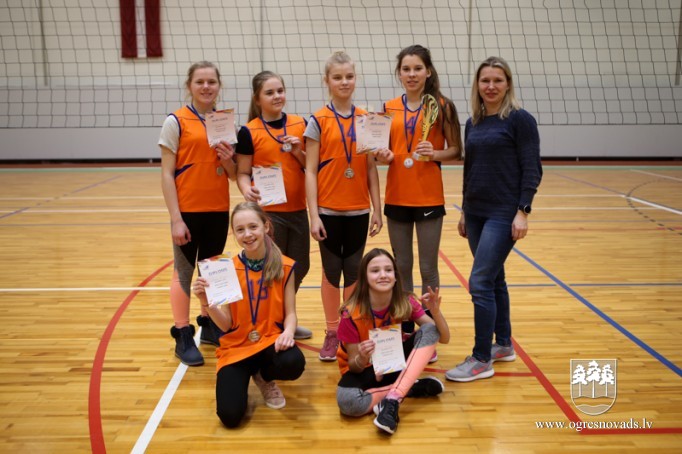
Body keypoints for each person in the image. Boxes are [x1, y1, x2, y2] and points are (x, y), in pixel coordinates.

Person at [445, 56, 542, 382]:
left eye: (497, 80)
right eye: (485, 80)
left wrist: (523, 211)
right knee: (495, 278)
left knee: (480, 282)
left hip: (503, 212)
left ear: (508, 84)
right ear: (477, 85)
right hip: (475, 212)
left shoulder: (520, 120)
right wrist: (464, 210)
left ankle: (481, 358)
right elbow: (470, 169)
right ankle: (503, 344)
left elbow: (532, 168)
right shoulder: (473, 122)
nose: (490, 86)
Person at [192, 202, 306, 428]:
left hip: (270, 342)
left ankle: (264, 376)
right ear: (234, 233)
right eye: (240, 229)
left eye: (253, 226)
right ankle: (245, 375)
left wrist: (289, 332)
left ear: (266, 226)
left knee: (293, 362)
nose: (247, 234)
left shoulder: (284, 266)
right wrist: (205, 301)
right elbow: (225, 326)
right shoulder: (225, 269)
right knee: (230, 416)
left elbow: (291, 313)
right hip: (237, 347)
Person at [305, 51, 383, 361]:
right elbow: (310, 170)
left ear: (356, 79)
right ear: (326, 81)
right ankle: (331, 331)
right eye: (337, 77)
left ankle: (349, 328)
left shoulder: (367, 119)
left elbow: (372, 168)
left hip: (358, 211)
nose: (344, 82)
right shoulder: (318, 121)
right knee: (330, 273)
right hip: (327, 211)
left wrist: (377, 209)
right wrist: (313, 215)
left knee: (352, 273)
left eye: (349, 76)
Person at [159, 61, 237, 366]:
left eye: (211, 82)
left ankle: (209, 325)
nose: (206, 87)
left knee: (212, 271)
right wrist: (176, 219)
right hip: (188, 210)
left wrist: (228, 159)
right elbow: (167, 174)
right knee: (184, 272)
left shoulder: (224, 121)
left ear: (219, 85)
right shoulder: (176, 121)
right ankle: (182, 333)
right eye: (200, 82)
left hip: (217, 209)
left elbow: (232, 174)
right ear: (189, 86)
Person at [335, 248, 450, 435]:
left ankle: (393, 399)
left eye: (388, 270)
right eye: (375, 271)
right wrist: (362, 357)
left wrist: (435, 312)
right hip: (366, 369)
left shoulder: (405, 301)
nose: (383, 275)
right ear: (364, 277)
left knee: (429, 329)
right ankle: (410, 387)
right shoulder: (350, 313)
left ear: (396, 276)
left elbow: (443, 337)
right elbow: (354, 367)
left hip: (394, 363)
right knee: (347, 401)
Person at [235, 70, 313, 340]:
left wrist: (299, 151)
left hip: (298, 210)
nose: (277, 96)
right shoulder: (249, 131)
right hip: (269, 214)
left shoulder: (300, 124)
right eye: (269, 92)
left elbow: (311, 167)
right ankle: (275, 323)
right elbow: (242, 172)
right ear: (258, 99)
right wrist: (246, 188)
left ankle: (282, 318)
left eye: (280, 90)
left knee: (299, 267)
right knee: (273, 269)